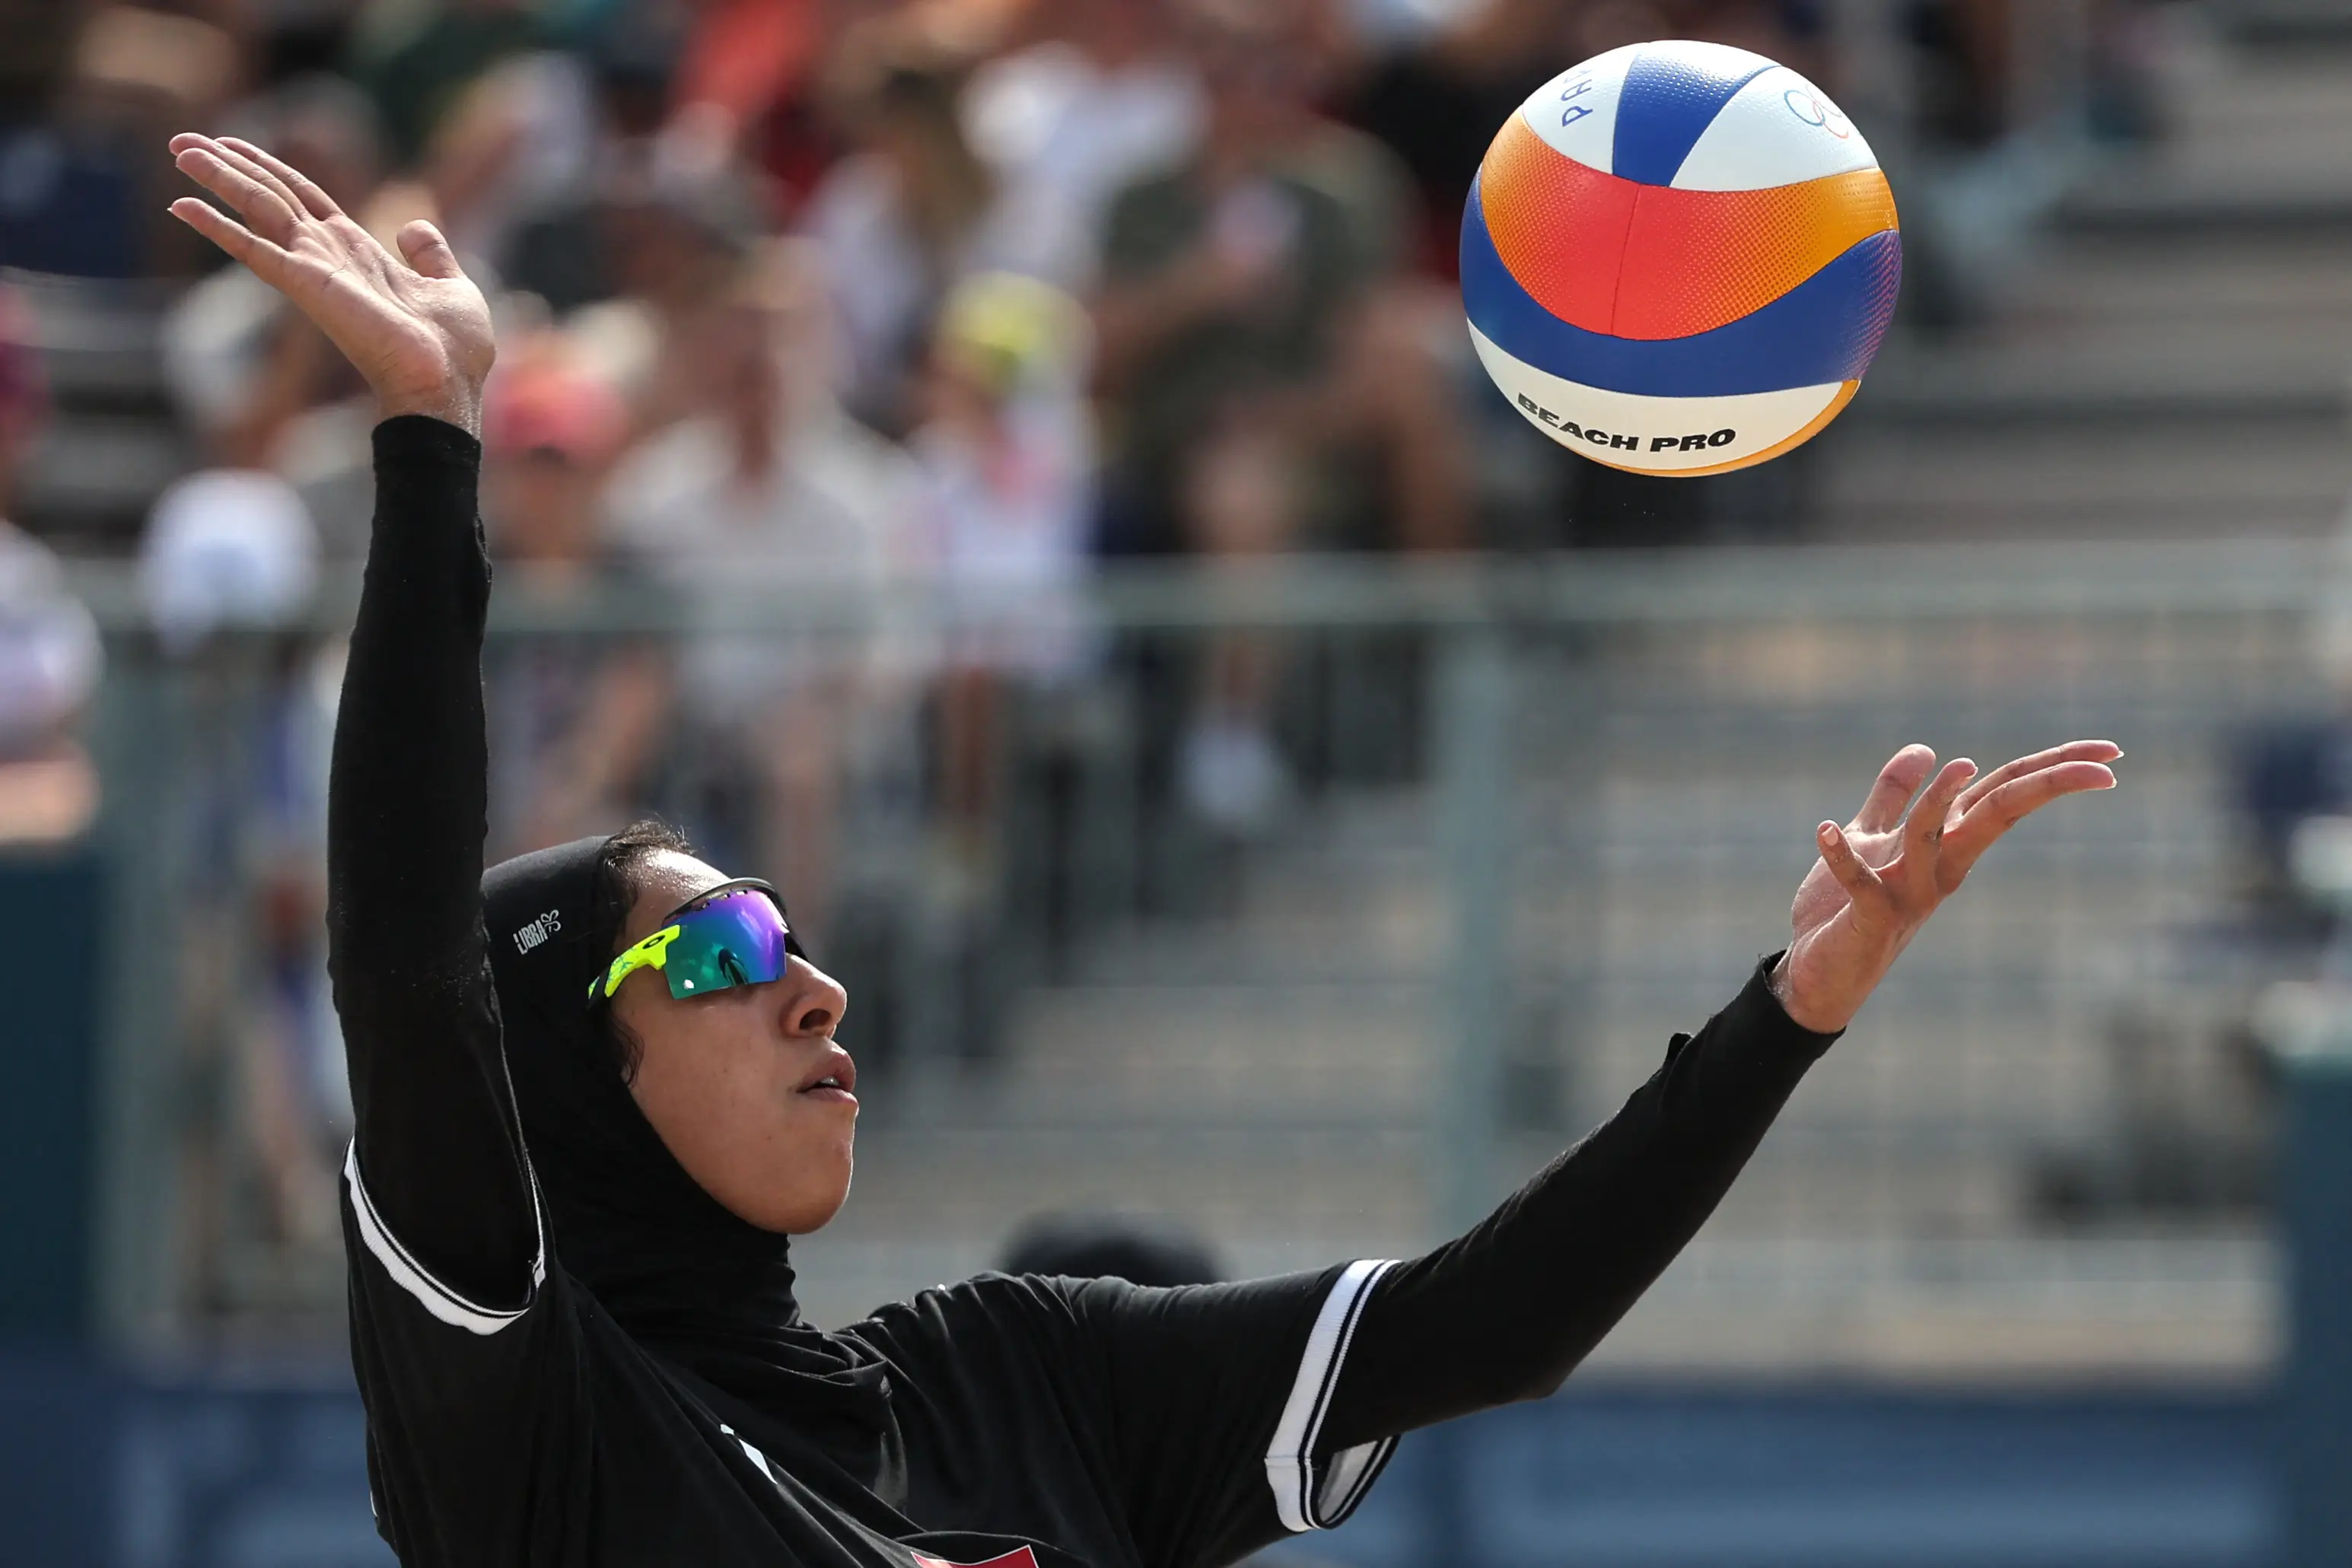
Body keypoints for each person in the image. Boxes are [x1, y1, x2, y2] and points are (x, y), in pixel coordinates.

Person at [167, 129, 2122, 1568]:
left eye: (777, 924)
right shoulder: (530, 1427)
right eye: (717, 954)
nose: (811, 982)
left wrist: (1797, 1007)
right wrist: (431, 438)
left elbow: (1497, 1321)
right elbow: (406, 973)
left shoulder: (1020, 1379)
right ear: (552, 1083)